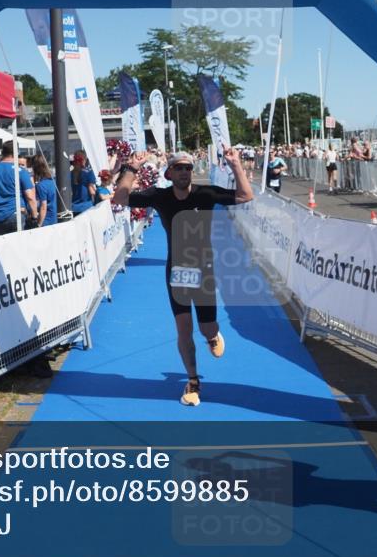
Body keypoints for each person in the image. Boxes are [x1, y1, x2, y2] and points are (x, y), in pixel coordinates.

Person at [112, 147, 253, 407]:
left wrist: (235, 165)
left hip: (205, 270)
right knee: (184, 328)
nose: (185, 171)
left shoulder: (206, 193)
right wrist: (131, 169)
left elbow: (246, 195)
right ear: (170, 173)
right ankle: (193, 381)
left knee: (206, 327)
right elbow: (120, 199)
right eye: (179, 167)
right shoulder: (159, 196)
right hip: (177, 271)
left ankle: (212, 336)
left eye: (188, 167)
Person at [0, 142, 37, 235]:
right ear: (16, 152)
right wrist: (34, 217)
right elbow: (30, 196)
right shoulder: (20, 171)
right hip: (16, 215)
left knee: (2, 248)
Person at [32, 155, 58, 227]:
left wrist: (39, 224)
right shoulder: (54, 181)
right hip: (55, 219)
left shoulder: (41, 186)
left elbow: (43, 207)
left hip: (46, 221)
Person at [70, 150, 97, 215]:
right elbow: (92, 192)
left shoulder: (69, 174)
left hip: (74, 207)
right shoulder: (88, 173)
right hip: (87, 207)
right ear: (85, 160)